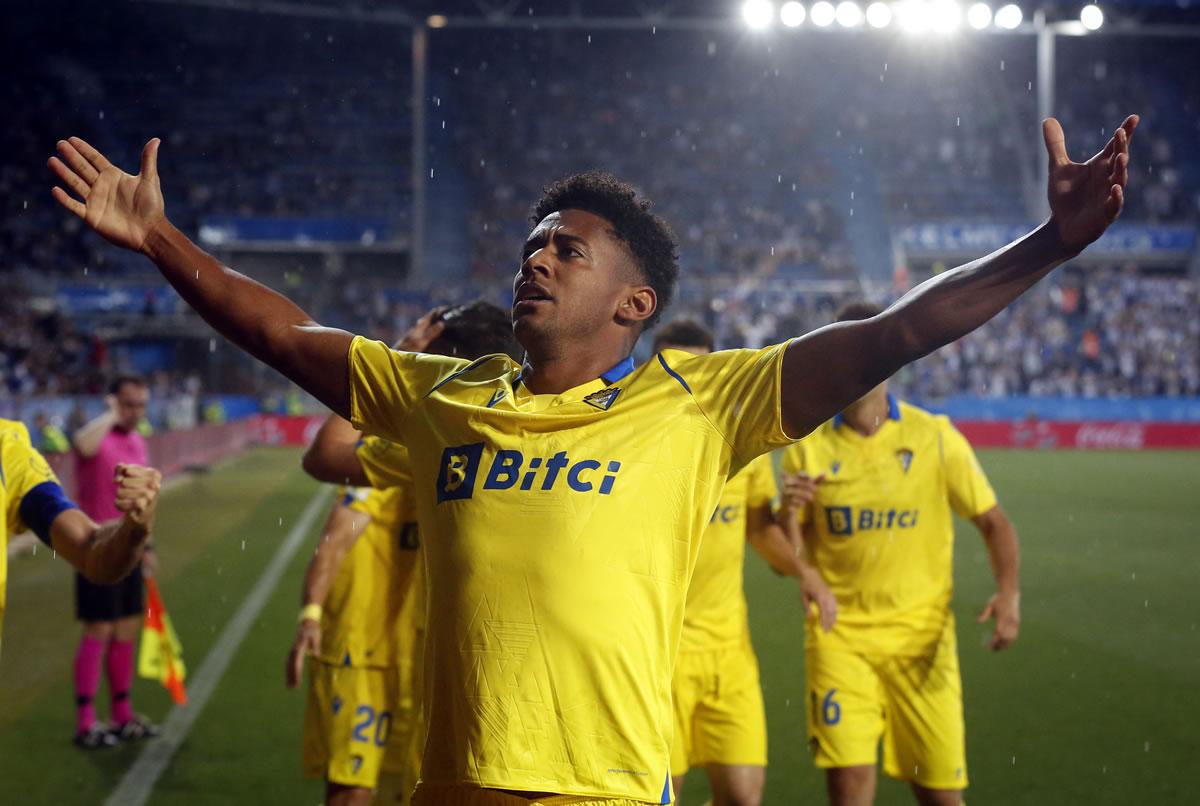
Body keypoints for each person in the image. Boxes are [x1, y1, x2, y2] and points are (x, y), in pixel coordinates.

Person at [49, 113, 1135, 805]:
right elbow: (284, 334)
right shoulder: (447, 397)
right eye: (531, 244)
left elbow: (894, 332)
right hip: (450, 787)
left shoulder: (701, 400)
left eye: (567, 246)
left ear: (635, 301)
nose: (538, 257)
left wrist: (1049, 243)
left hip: (606, 790)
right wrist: (164, 244)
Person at [780, 301, 1022, 806]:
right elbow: (793, 555)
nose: (858, 367)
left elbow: (993, 522)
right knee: (849, 788)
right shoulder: (809, 448)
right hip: (840, 639)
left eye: (870, 353)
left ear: (893, 360)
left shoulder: (933, 437)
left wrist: (1009, 595)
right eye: (847, 355)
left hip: (922, 645)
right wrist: (788, 517)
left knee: (940, 795)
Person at [290, 302, 520, 806]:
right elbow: (336, 518)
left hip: (442, 659)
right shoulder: (544, 435)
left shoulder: (439, 445)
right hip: (469, 663)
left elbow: (325, 456)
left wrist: (397, 360)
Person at [652, 320, 837, 806]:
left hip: (729, 652)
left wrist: (805, 570)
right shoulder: (636, 454)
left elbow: (758, 528)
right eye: (678, 371)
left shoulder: (741, 447)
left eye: (700, 370)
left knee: (742, 795)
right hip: (654, 657)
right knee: (658, 797)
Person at [0, 419, 161, 654]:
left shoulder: (8, 448)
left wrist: (135, 528)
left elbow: (90, 551)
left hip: (111, 526)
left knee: (122, 628)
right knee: (98, 629)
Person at [70, 376, 160, 748]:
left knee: (126, 629)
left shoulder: (137, 441)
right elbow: (81, 444)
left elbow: (144, 502)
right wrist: (110, 414)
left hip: (131, 550)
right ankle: (86, 721)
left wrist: (148, 546)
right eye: (128, 404)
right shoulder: (99, 435)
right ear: (113, 401)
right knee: (99, 631)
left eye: (140, 405)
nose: (135, 412)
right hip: (95, 545)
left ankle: (122, 715)